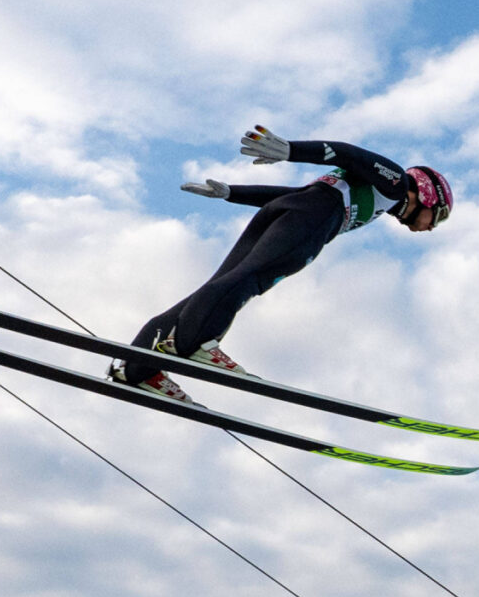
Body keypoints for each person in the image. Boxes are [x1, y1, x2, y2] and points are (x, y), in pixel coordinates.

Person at [117, 125, 451, 400]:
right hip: (313, 218)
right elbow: (346, 151)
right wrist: (290, 150)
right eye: (437, 216)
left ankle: (136, 369)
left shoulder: (378, 196)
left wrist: (231, 192)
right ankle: (195, 342)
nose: (431, 227)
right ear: (428, 194)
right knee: (251, 278)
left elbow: (295, 194)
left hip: (287, 209)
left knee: (222, 283)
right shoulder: (393, 181)